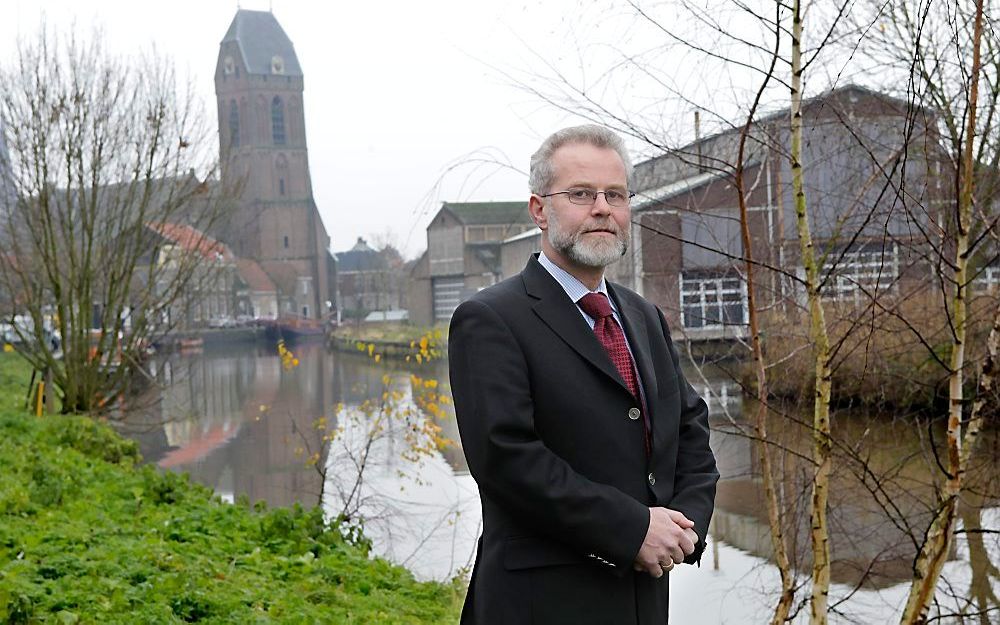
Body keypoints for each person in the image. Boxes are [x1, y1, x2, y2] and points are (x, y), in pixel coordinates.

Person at [448, 125, 719, 624]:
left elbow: (690, 428)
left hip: (642, 601)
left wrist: (686, 527)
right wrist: (632, 529)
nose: (602, 208)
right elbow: (507, 459)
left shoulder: (643, 316)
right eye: (580, 194)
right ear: (539, 210)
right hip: (541, 605)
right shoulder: (490, 319)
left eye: (615, 194)